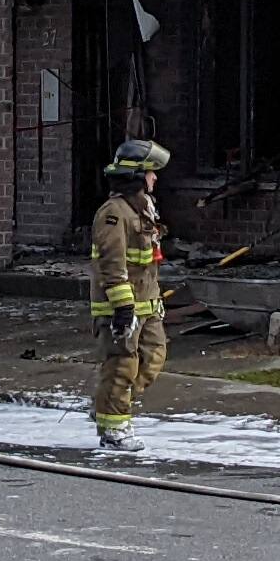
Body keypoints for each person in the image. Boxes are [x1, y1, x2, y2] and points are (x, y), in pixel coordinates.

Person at [87, 136, 171, 453]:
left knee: (153, 359)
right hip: (121, 308)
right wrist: (123, 309)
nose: (155, 178)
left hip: (147, 305)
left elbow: (146, 264)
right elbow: (112, 264)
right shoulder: (114, 214)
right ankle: (113, 429)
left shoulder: (143, 209)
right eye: (151, 172)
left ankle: (107, 402)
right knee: (122, 365)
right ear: (137, 176)